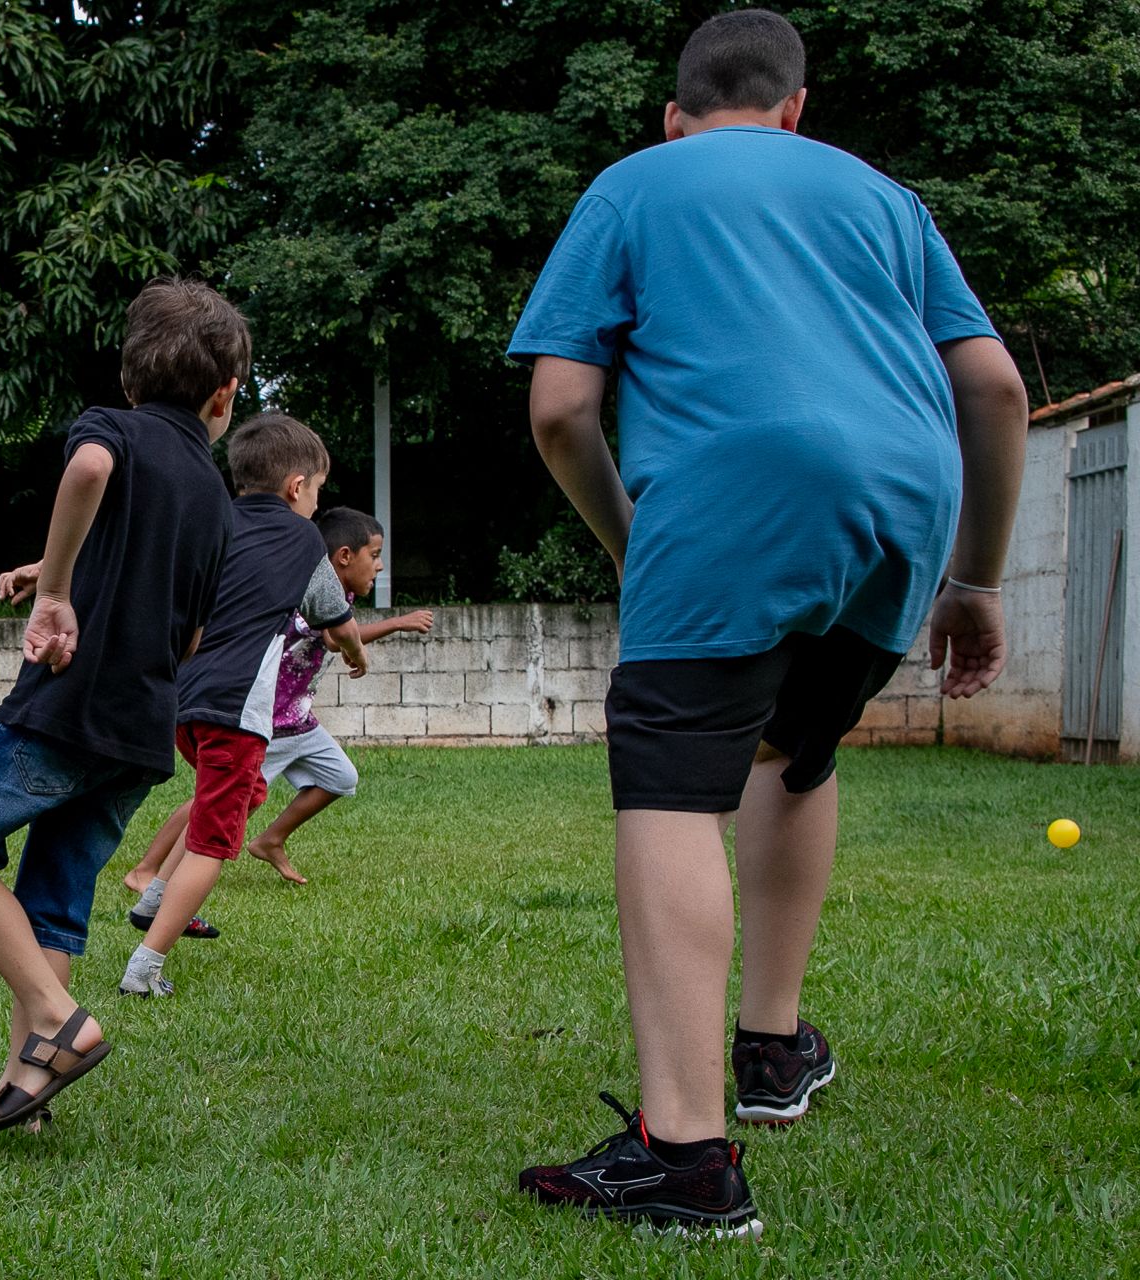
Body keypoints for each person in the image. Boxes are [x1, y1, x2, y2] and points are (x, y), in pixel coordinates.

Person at [506, 9, 1027, 1238]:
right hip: (907, 499)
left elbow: (561, 410)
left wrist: (636, 545)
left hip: (736, 491)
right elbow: (995, 387)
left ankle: (682, 1155)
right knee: (795, 747)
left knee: (672, 785)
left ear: (673, 116)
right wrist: (977, 581)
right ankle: (774, 1045)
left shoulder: (636, 185)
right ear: (797, 109)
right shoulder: (883, 197)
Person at [0, 276, 249, 1135]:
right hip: (140, 731)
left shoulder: (114, 430)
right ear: (224, 395)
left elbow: (92, 470)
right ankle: (25, 1091)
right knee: (55, 896)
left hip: (67, 709)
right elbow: (190, 627)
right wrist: (51, 567)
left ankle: (60, 1022)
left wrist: (53, 591)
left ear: (130, 379)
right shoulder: (214, 494)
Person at [117, 415, 368, 998]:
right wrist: (356, 653)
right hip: (236, 712)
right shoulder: (305, 540)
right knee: (214, 842)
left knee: (238, 796)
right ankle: (145, 967)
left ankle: (153, 897)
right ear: (297, 487)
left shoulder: (214, 519)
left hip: (183, 700)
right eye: (319, 490)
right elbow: (338, 619)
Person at [122, 506, 432, 896]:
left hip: (298, 720)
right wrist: (397, 623)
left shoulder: (342, 594)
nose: (380, 566)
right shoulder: (304, 585)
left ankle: (270, 840)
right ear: (344, 556)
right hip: (266, 721)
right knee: (220, 799)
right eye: (374, 555)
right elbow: (335, 638)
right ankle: (146, 870)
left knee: (340, 777)